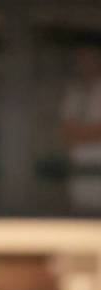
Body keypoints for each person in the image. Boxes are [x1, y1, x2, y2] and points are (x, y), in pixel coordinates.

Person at [60, 46, 101, 213]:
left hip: (98, 164)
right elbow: (66, 129)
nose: (85, 63)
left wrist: (82, 132)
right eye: (81, 58)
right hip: (78, 165)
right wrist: (89, 132)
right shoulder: (74, 91)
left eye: (90, 57)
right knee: (81, 213)